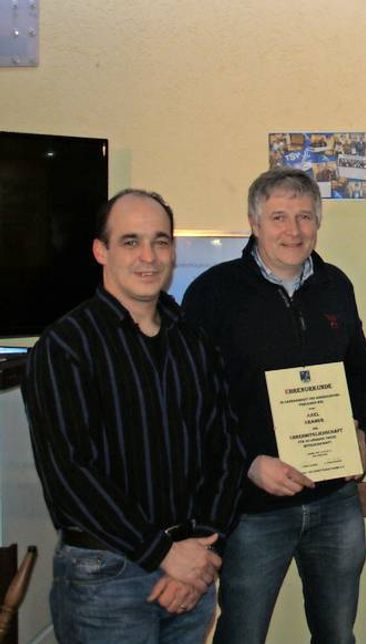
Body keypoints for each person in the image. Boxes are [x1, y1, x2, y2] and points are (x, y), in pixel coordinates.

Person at [21, 189, 246, 642]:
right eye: (130, 241)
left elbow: (226, 450)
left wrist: (201, 549)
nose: (148, 256)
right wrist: (162, 551)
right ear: (100, 250)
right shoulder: (65, 346)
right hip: (107, 577)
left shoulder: (193, 342)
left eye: (161, 241)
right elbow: (71, 474)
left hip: (193, 569)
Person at [182, 168, 366, 644]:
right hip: (252, 509)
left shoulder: (335, 285)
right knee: (242, 634)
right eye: (279, 217)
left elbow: (361, 368)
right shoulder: (213, 292)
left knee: (337, 634)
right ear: (254, 221)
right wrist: (246, 463)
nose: (293, 230)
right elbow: (194, 400)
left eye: (305, 217)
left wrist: (361, 430)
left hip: (335, 502)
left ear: (319, 221)